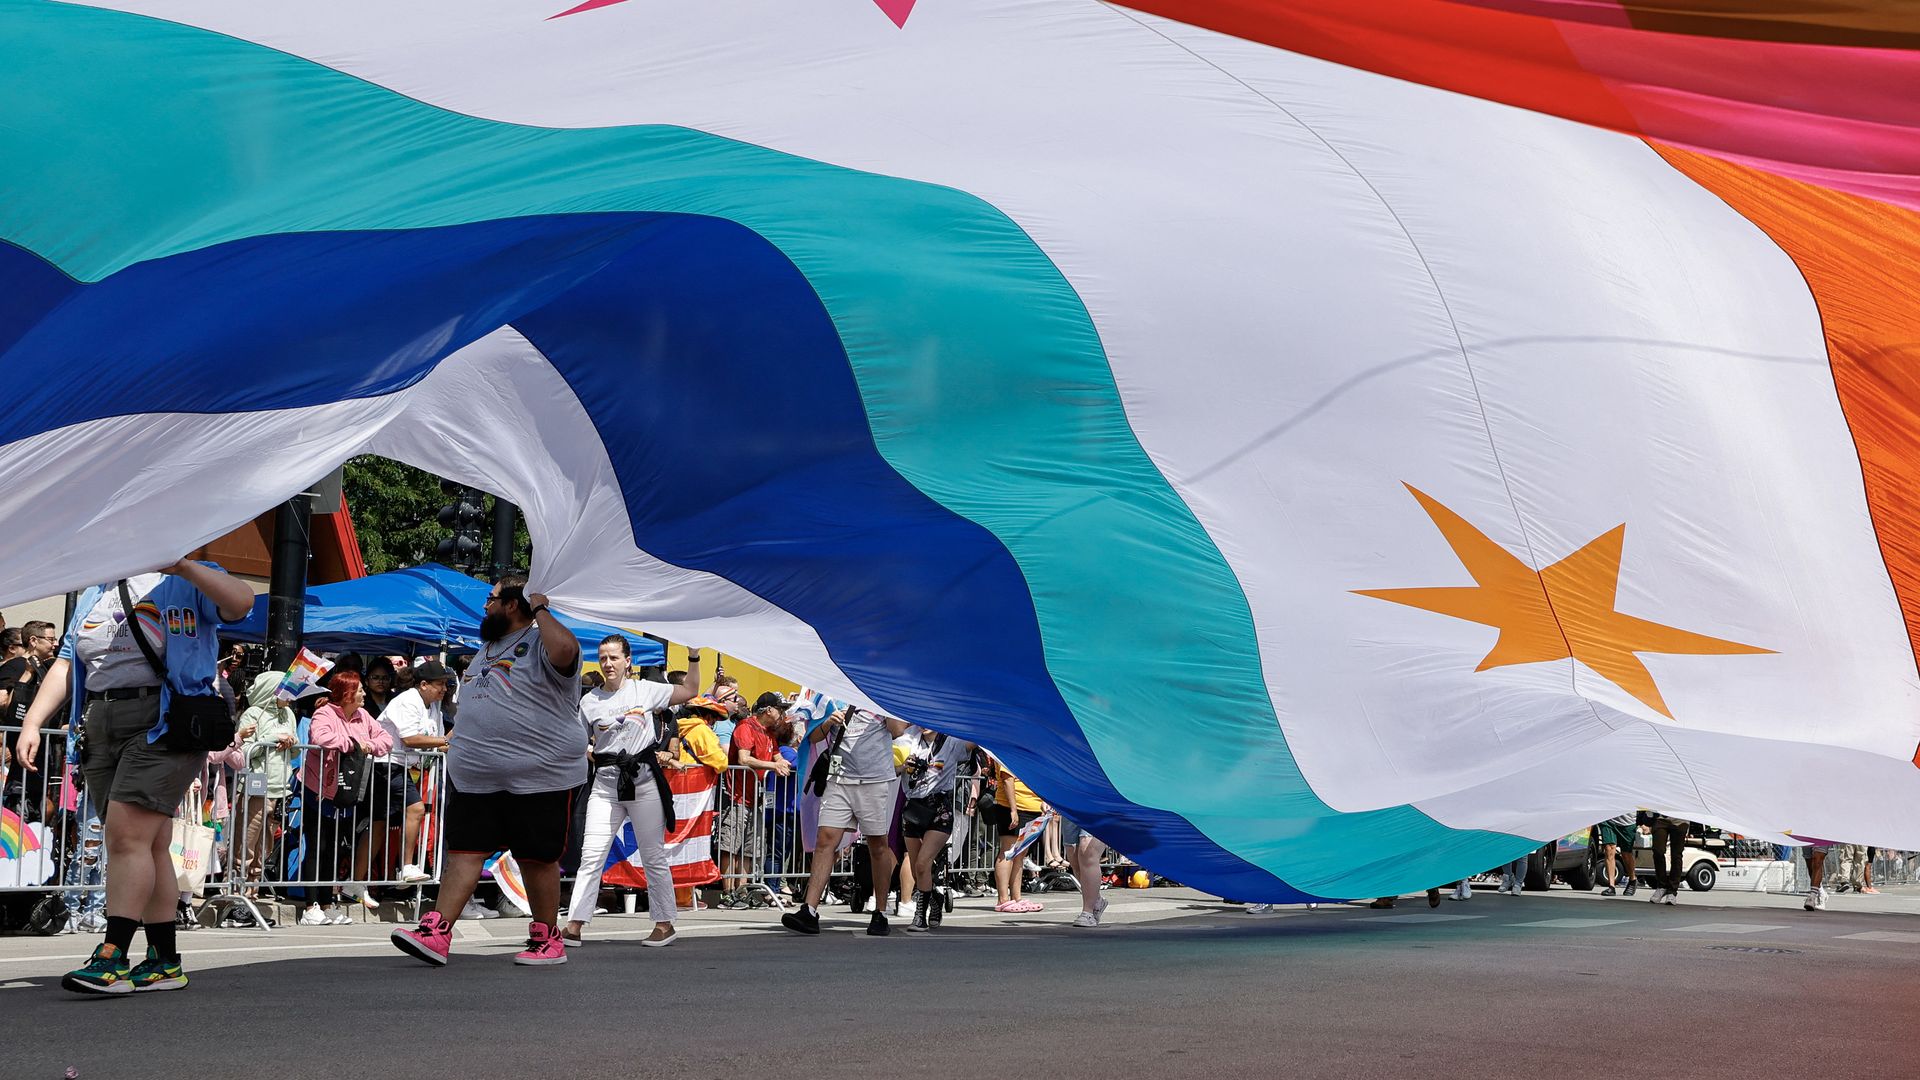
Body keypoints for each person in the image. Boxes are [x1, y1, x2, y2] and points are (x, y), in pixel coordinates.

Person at [15, 560, 254, 995]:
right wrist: (33, 722)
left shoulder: (187, 578)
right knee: (149, 841)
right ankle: (163, 960)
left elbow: (241, 602)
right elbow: (68, 662)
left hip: (166, 717)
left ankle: (113, 956)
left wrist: (183, 565)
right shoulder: (98, 589)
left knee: (126, 837)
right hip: (101, 718)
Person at [392, 575, 589, 967]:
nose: (485, 605)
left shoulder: (541, 641)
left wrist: (541, 606)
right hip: (477, 776)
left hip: (540, 775)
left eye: (492, 598)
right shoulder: (485, 649)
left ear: (514, 604)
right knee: (465, 852)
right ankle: (436, 932)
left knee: (536, 858)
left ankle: (547, 938)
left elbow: (567, 650)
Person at [562, 635, 694, 948]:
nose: (608, 664)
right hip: (606, 785)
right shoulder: (589, 701)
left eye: (614, 658)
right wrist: (595, 755)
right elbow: (578, 742)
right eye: (603, 658)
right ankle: (575, 924)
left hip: (644, 781)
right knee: (591, 855)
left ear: (628, 661)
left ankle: (664, 923)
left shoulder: (644, 690)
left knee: (652, 854)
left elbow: (690, 691)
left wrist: (694, 656)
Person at [780, 705, 911, 936]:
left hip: (874, 780)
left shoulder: (875, 693)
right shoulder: (835, 696)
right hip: (838, 779)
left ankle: (880, 912)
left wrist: (882, 704)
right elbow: (815, 736)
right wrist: (829, 722)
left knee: (878, 845)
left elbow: (897, 729)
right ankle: (809, 910)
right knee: (825, 841)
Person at [297, 672, 392, 923]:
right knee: (318, 845)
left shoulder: (363, 715)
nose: (363, 694)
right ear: (347, 693)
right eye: (359, 690)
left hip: (346, 790)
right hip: (318, 788)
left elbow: (386, 740)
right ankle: (310, 906)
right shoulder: (325, 712)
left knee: (336, 848)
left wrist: (368, 744)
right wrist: (355, 743)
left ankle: (328, 904)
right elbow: (320, 737)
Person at [375, 660, 454, 884]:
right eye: (440, 684)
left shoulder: (434, 707)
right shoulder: (408, 700)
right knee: (413, 811)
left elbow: (437, 742)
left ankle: (366, 879)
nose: (444, 689)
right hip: (386, 763)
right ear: (424, 684)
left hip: (405, 766)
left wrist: (449, 739)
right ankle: (406, 866)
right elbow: (410, 738)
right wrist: (444, 740)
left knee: (380, 824)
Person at [899, 724, 976, 931]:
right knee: (917, 869)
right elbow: (892, 767)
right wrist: (903, 765)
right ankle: (934, 898)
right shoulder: (908, 739)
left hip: (939, 807)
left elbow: (975, 738)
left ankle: (920, 915)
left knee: (924, 863)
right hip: (913, 807)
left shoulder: (951, 741)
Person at [717, 701, 792, 907]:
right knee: (731, 845)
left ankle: (743, 892)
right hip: (736, 795)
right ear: (769, 710)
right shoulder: (746, 727)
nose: (782, 714)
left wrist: (789, 763)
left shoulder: (769, 733)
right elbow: (743, 759)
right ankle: (728, 893)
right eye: (780, 709)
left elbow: (779, 758)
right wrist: (774, 765)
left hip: (756, 798)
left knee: (750, 849)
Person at [233, 672, 298, 904]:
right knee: (246, 843)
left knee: (266, 846)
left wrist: (293, 742)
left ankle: (254, 893)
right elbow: (244, 752)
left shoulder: (289, 713)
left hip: (280, 788)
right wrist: (271, 738)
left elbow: (295, 752)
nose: (291, 696)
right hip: (255, 787)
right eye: (286, 690)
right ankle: (237, 894)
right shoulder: (252, 714)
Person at [2, 621, 58, 821]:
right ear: (33, 641)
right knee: (19, 810)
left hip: (46, 753)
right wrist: (26, 676)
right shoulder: (15, 667)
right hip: (20, 751)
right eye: (50, 639)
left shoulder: (51, 666)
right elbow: (7, 706)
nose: (55, 644)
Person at [988, 755, 1046, 914]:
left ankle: (1016, 897)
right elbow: (1007, 779)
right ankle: (1003, 899)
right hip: (1012, 806)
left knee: (1020, 853)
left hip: (1032, 807)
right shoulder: (1004, 750)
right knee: (1008, 851)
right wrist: (1013, 810)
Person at [1646, 813, 1689, 905]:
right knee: (1658, 851)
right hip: (1661, 818)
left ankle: (1672, 891)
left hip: (1681, 818)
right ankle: (1662, 886)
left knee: (1676, 855)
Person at [1596, 814, 1638, 896]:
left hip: (1628, 822)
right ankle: (1611, 886)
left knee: (1626, 854)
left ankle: (1633, 879)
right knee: (1609, 849)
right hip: (1608, 819)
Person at [1803, 841, 1834, 911]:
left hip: (1821, 833)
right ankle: (1821, 892)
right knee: (1810, 862)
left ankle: (1812, 897)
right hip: (1806, 833)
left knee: (1817, 859)